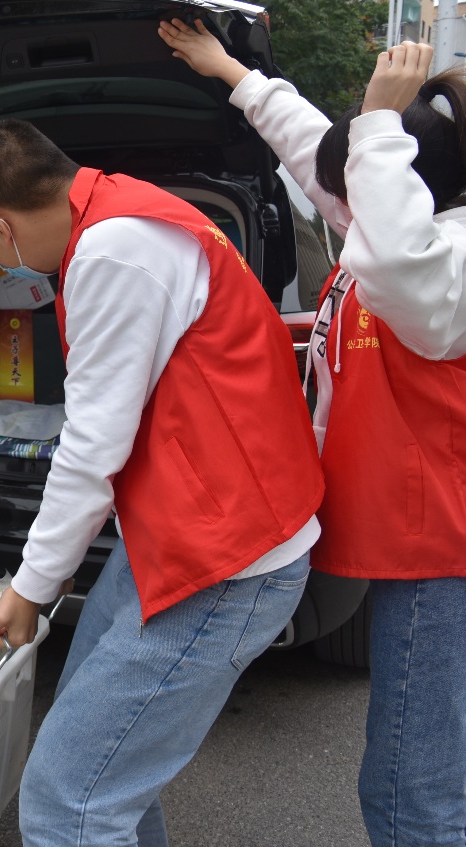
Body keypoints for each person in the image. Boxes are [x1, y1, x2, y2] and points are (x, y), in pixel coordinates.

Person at [0, 120, 325, 846]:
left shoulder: (112, 251)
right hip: (180, 533)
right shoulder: (126, 209)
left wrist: (31, 586)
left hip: (224, 560)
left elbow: (92, 445)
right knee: (103, 778)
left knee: (67, 801)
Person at [160, 22, 466, 846]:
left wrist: (377, 122)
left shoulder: (444, 259)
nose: (342, 204)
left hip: (442, 554)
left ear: (405, 184)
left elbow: (405, 274)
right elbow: (309, 151)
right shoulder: (393, 228)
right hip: (414, 540)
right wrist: (232, 72)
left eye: (360, 184)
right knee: (414, 773)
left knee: (410, 790)